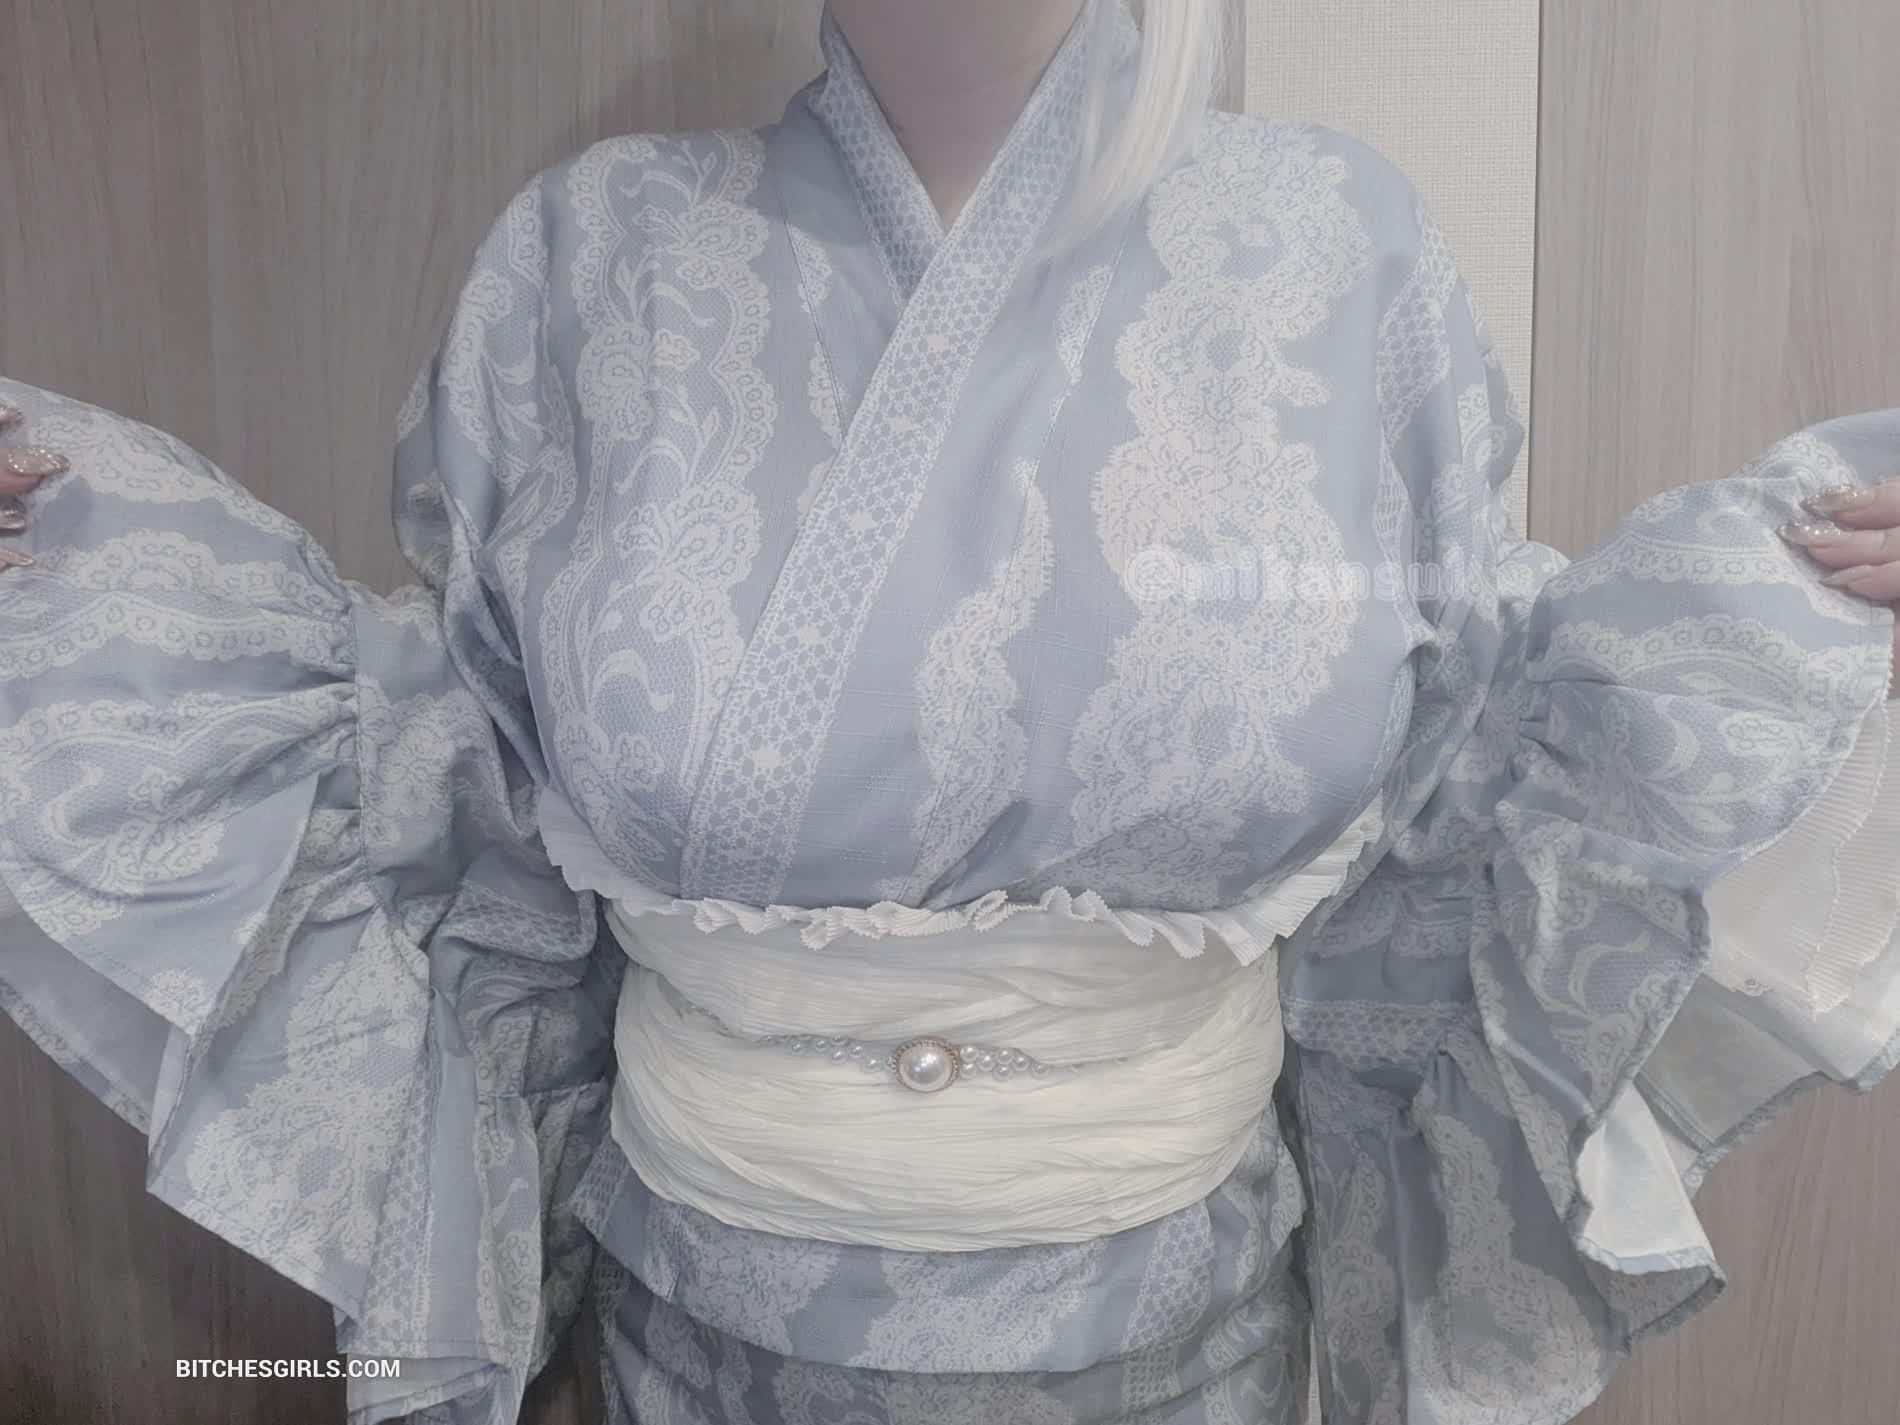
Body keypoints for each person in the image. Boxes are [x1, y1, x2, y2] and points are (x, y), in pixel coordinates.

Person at [2, 1, 1898, 1421]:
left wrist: (1794, 605)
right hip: (700, 1333)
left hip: (1186, 1330)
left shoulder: (1342, 246)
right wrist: (71, 569)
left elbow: (1474, 760)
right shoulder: (591, 254)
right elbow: (458, 788)